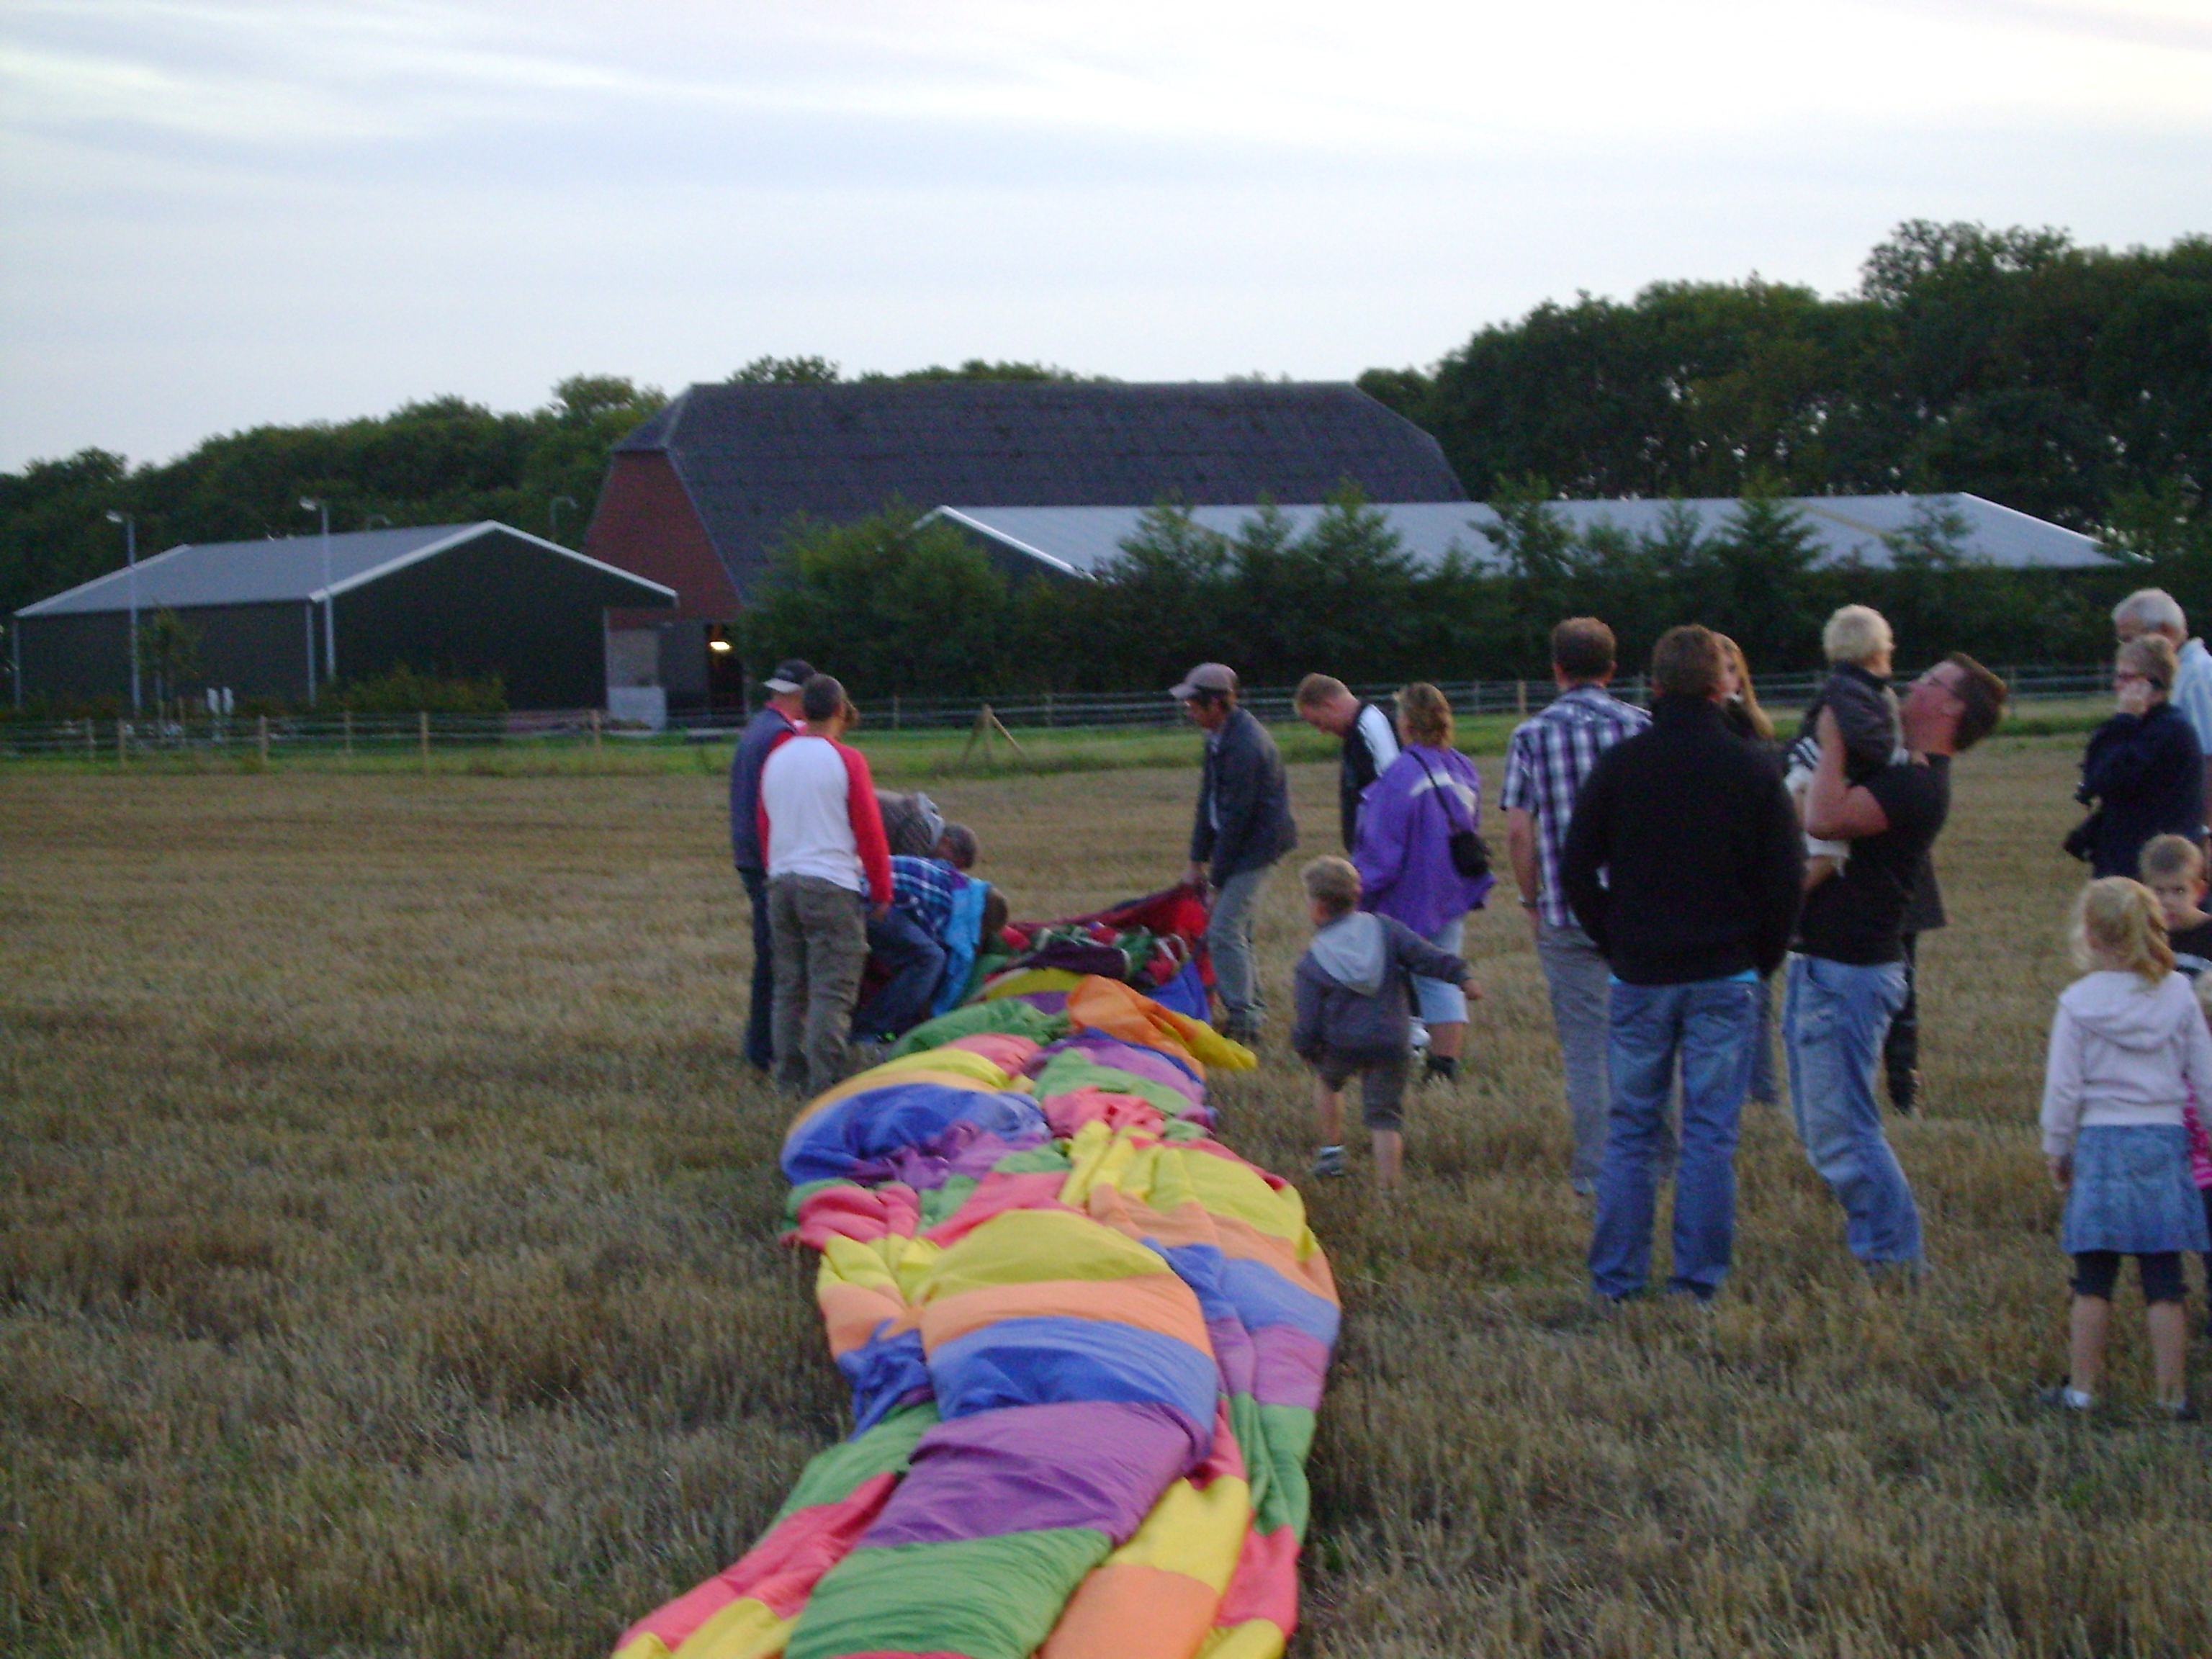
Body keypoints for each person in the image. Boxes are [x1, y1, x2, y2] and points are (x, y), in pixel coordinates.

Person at [1562, 625, 1804, 1303]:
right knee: (1708, 1136)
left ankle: (1615, 1280)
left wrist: (1613, 936)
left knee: (1632, 1131)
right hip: (1725, 973)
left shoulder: (1622, 766)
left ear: (1655, 684)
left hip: (1641, 972)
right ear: (1722, 684)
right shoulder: (1755, 768)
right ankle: (1696, 1283)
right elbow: (1784, 881)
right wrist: (1762, 955)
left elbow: (1577, 866)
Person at [1792, 653, 2009, 1274]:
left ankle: (1894, 1256)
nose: (1913, 686)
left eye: (1931, 683)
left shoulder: (1917, 785)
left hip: (1851, 972)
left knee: (1847, 1131)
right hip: (1825, 964)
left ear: (1951, 708)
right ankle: (1881, 1241)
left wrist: (1832, 741)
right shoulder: (1897, 768)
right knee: (1821, 1129)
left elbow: (1827, 817)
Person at [2038, 877, 2211, 1419]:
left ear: (2089, 936)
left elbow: (2063, 1089)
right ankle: (2171, 1399)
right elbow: (2205, 1078)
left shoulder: (2078, 1003)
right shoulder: (2180, 994)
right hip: (2163, 1143)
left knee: (2092, 1278)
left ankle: (2083, 1394)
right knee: (2165, 1279)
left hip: (2099, 1146)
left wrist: (2057, 1149)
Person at [1501, 618, 1651, 1195]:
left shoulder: (1531, 735)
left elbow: (1519, 831)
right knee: (1647, 1039)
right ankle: (1661, 1161)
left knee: (1587, 1049)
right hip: (1638, 912)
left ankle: (1596, 1172)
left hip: (1566, 910)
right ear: (1612, 671)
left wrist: (1531, 900)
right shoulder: (1642, 726)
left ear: (1557, 670)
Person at [1291, 855, 1479, 1194]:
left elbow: (1308, 1017)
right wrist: (1461, 976)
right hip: (1392, 1041)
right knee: (1384, 1118)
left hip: (1341, 1044)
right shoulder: (1385, 930)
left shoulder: (1314, 960)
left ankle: (1331, 1149)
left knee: (1327, 1082)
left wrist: (1306, 1046)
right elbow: (1427, 957)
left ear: (1318, 908)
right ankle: (1389, 1191)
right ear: (1357, 896)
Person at [1351, 683, 1493, 1084]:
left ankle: (1390, 1057)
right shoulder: (1463, 767)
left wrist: (1359, 895)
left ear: (1407, 723)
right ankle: (1445, 1065)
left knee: (1386, 980)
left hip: (1408, 895)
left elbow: (1382, 849)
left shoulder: (1400, 775)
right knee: (1442, 973)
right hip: (1451, 888)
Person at [758, 674, 894, 1097]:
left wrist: (775, 869)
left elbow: (765, 825)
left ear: (802, 709)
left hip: (781, 882)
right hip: (830, 884)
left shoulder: (776, 757)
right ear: (839, 710)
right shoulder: (847, 760)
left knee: (789, 987)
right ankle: (826, 1084)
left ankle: (788, 1076)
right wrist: (882, 889)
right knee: (831, 988)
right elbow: (869, 831)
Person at [1175, 663, 1297, 1043]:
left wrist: (1215, 879)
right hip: (1241, 842)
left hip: (1257, 848)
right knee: (1235, 931)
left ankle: (1245, 1022)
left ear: (1217, 704)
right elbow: (1207, 802)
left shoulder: (1245, 746)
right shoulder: (1218, 737)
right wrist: (1196, 860)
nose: (1189, 711)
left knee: (1224, 930)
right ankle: (1251, 1012)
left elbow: (1236, 822)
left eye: (1194, 704)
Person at [2137, 833, 2212, 1322]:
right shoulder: (2143, 941)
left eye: (2177, 891)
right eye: (2158, 892)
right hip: (2159, 1086)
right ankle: (2168, 1295)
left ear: (2199, 890)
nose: (2167, 903)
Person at [729, 659, 814, 1071]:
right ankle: (763, 1049)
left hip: (748, 853)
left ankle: (760, 1046)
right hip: (768, 859)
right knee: (777, 959)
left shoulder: (756, 727)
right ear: (799, 695)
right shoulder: (780, 736)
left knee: (770, 955)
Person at [1785, 606, 1904, 889]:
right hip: (1811, 779)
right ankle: (1776, 908)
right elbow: (1865, 738)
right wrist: (1901, 757)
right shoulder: (1851, 690)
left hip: (1808, 776)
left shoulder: (1850, 686)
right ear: (1877, 650)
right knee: (1828, 855)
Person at [1717, 634, 1786, 1107]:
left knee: (1753, 999)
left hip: (1750, 885)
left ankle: (1761, 1096)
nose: (1724, 676)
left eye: (1730, 666)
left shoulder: (1760, 739)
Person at [2077, 635, 2205, 879]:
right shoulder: (2142, 726)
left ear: (2150, 683)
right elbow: (2093, 775)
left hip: (2153, 871)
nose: (2116, 685)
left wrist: (2124, 720)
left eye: (2125, 677)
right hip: (2127, 862)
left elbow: (2110, 777)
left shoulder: (2168, 730)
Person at [852, 826, 982, 1046]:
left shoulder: (931, 870)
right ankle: (868, 1034)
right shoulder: (956, 898)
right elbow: (949, 957)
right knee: (930, 959)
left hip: (844, 890)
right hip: (865, 900)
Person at [2113, 587, 2212, 824]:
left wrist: (2204, 832)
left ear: (2166, 631)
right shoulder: (2176, 676)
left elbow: (2208, 759)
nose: (2126, 649)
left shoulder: (2197, 676)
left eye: (2130, 639)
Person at [1294, 673, 1402, 850]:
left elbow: (1396, 790)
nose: (1321, 730)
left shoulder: (1372, 726)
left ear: (1329, 705)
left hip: (1385, 853)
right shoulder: (1355, 732)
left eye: (1318, 722)